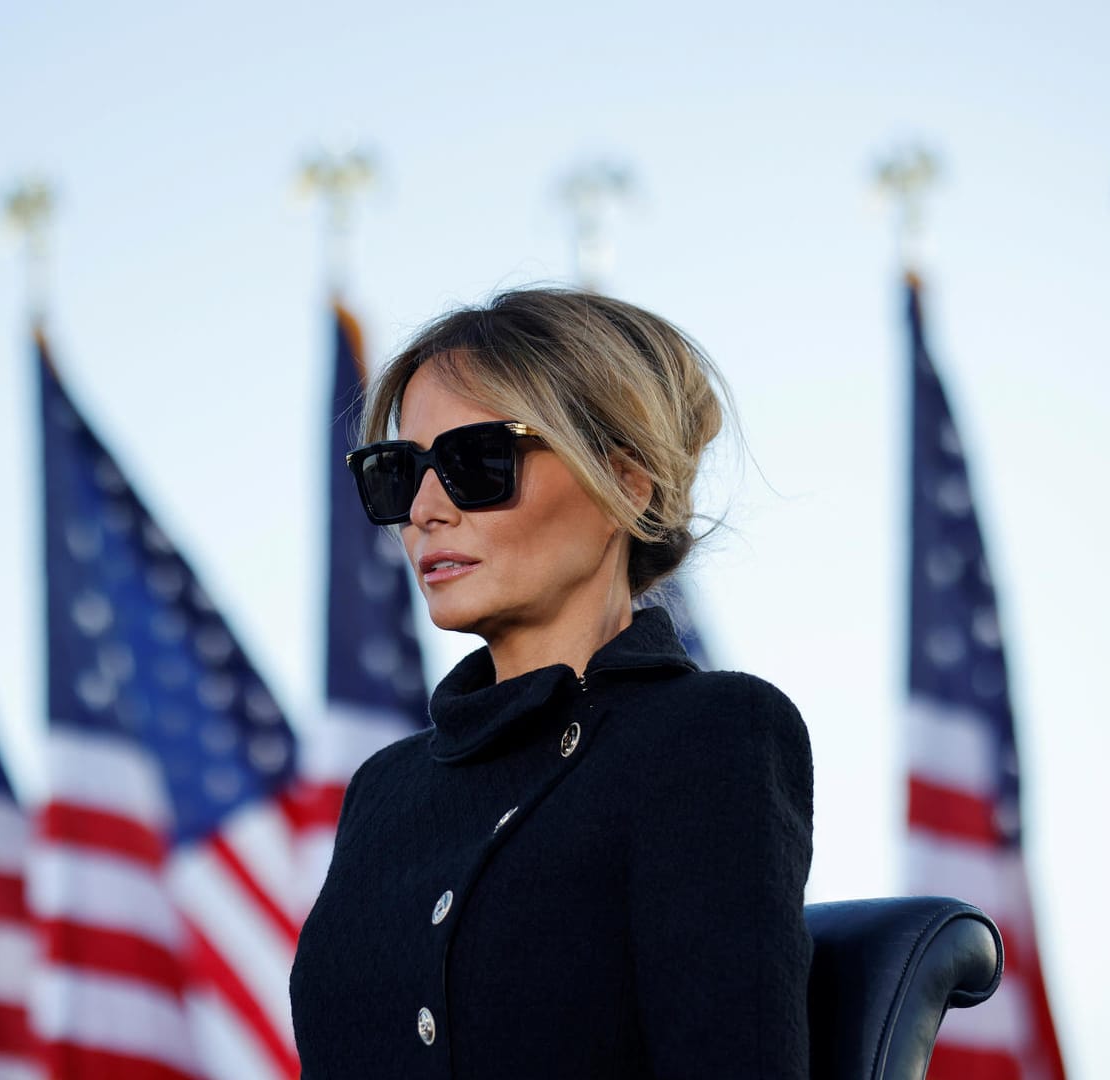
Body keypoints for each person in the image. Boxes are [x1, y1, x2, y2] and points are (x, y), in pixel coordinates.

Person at [288, 286, 815, 1079]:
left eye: (476, 462)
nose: (425, 510)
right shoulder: (383, 789)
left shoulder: (710, 732)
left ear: (625, 484)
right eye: (398, 474)